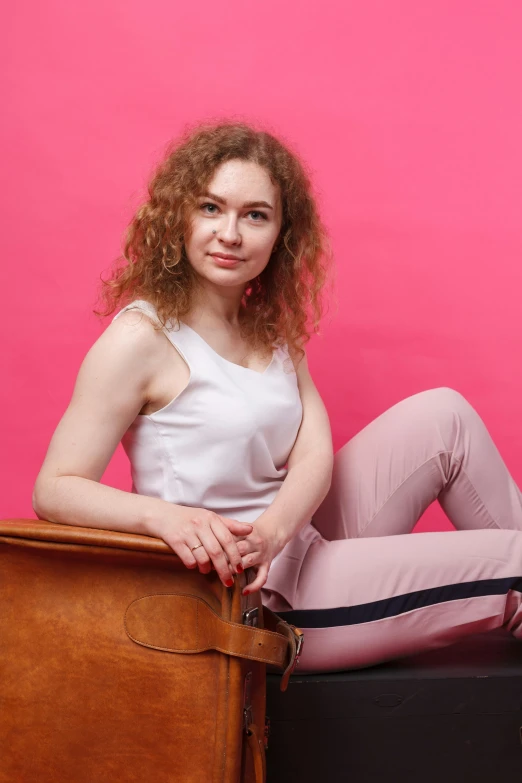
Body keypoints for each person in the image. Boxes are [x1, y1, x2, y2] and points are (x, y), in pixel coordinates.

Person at [33, 121, 522, 674]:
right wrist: (164, 518)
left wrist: (273, 530)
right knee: (517, 560)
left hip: (291, 541)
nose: (230, 234)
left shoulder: (269, 329)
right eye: (211, 208)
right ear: (178, 217)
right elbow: (54, 488)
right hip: (247, 596)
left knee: (446, 416)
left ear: (281, 234)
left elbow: (313, 454)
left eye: (255, 215)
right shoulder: (140, 338)